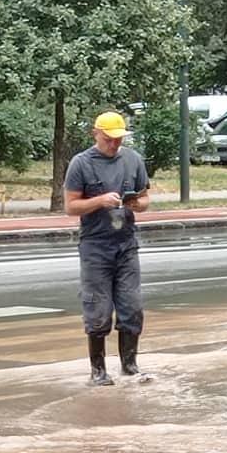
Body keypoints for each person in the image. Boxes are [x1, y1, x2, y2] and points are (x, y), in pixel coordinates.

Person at [63, 111, 152, 386]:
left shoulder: (133, 159)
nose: (114, 144)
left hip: (126, 244)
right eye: (109, 139)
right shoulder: (81, 163)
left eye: (118, 139)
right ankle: (98, 370)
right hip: (95, 246)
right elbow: (70, 206)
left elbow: (146, 196)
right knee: (98, 309)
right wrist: (99, 201)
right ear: (96, 134)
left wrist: (137, 204)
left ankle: (130, 364)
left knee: (132, 306)